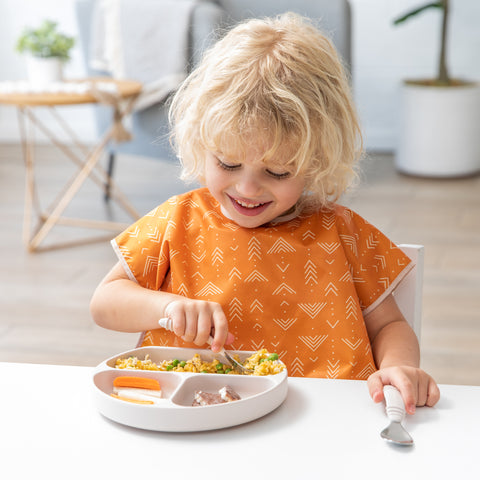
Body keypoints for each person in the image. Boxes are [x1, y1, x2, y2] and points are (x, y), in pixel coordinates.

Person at [90, 12, 439, 413]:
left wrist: (398, 368)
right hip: (192, 418)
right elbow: (104, 302)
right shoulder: (179, 220)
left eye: (276, 172)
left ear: (317, 161)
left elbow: (391, 326)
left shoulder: (342, 233)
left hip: (326, 420)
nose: (247, 188)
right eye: (227, 163)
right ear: (201, 142)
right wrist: (166, 309)